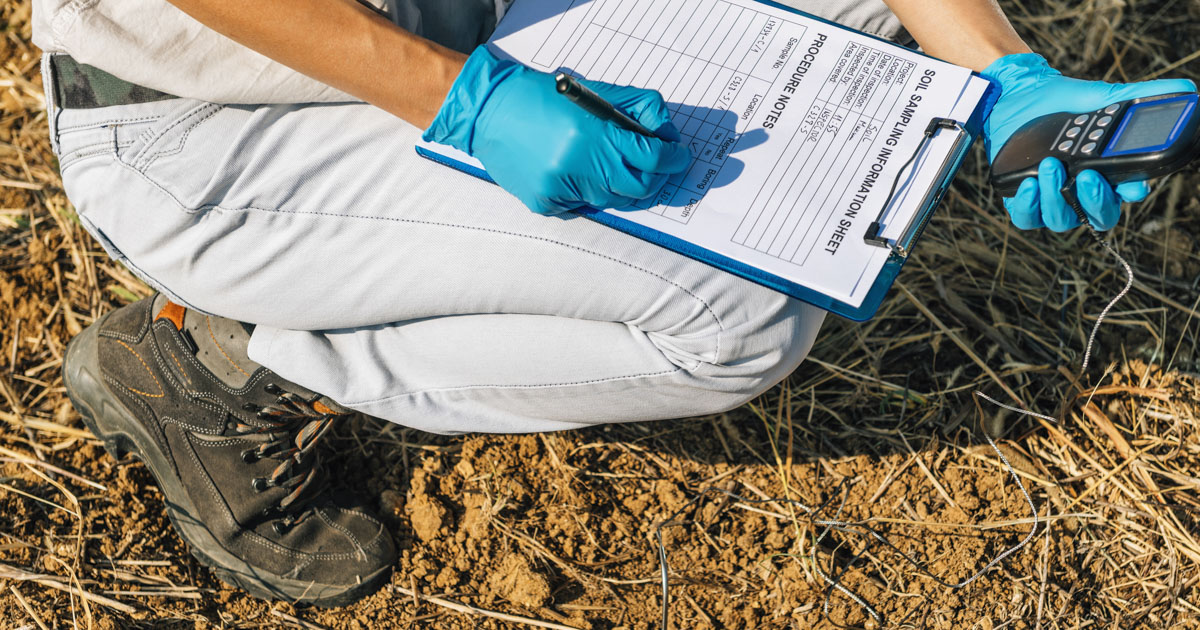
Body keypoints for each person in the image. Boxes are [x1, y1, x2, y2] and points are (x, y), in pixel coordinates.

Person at [35, 0, 1194, 607]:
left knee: (871, 26)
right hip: (215, 118)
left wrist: (997, 75)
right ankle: (225, 361)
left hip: (476, 16)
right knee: (739, 317)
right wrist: (471, 105)